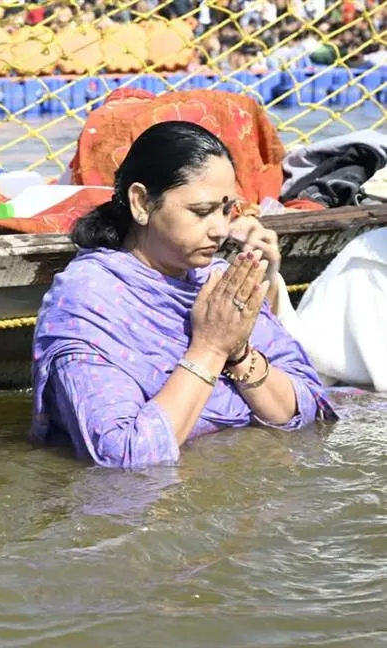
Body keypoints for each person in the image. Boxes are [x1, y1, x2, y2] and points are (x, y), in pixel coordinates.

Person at [31, 121, 336, 469]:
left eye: (226, 210)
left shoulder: (218, 281)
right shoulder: (88, 298)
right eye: (201, 212)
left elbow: (307, 407)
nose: (221, 229)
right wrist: (209, 349)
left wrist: (237, 354)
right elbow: (123, 456)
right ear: (142, 203)